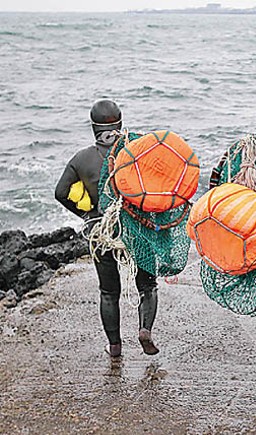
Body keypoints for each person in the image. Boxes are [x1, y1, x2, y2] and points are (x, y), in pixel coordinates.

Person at [55, 99, 160, 358]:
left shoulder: (81, 159)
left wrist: (86, 214)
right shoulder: (137, 151)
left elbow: (60, 193)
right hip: (137, 229)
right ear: (121, 123)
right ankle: (144, 329)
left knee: (108, 291)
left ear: (93, 128)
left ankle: (114, 347)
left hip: (102, 231)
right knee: (147, 286)